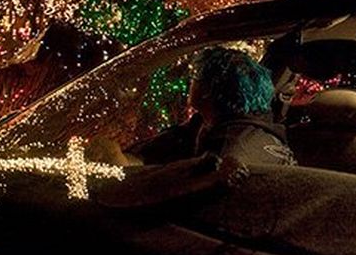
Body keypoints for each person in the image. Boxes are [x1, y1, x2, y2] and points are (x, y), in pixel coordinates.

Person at [88, 46, 296, 167]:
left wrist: (118, 166)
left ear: (209, 88)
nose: (190, 82)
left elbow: (179, 196)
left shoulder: (228, 154)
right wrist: (126, 159)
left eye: (195, 76)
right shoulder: (209, 125)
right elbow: (163, 149)